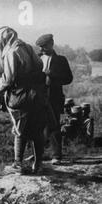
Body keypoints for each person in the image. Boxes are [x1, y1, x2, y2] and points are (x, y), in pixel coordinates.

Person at [0, 26, 47, 174]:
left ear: (4, 39)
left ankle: (18, 163)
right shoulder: (27, 47)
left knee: (20, 129)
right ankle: (38, 164)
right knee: (36, 129)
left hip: (20, 96)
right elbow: (40, 65)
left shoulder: (11, 51)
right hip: (36, 95)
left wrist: (0, 84)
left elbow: (9, 79)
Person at [36, 34, 73, 165]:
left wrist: (51, 74)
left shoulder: (61, 60)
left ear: (52, 44)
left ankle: (56, 155)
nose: (42, 49)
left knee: (54, 126)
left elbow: (68, 79)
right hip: (38, 98)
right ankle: (37, 155)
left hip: (54, 98)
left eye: (44, 46)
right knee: (38, 126)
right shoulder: (37, 59)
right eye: (40, 47)